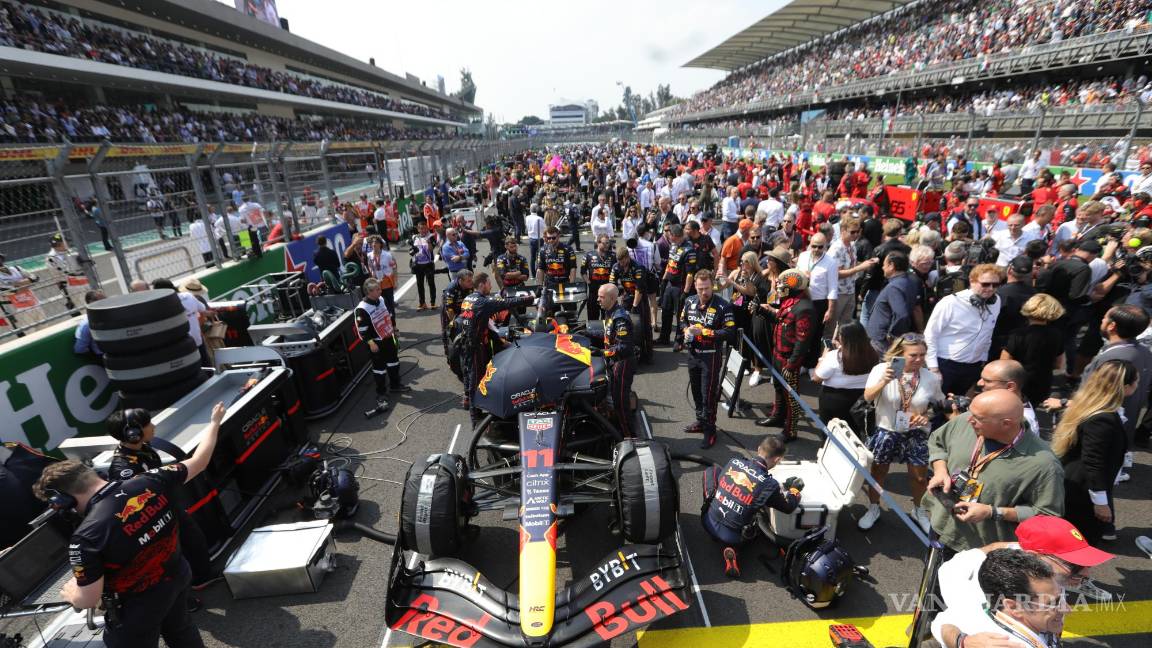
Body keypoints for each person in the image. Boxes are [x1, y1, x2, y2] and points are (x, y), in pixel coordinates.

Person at [32, 401, 225, 648]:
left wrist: (72, 594)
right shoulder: (153, 479)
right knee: (182, 632)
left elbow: (88, 600)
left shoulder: (85, 539)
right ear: (92, 475)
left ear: (64, 500)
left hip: (138, 607)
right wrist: (214, 423)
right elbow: (199, 461)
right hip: (177, 576)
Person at [932, 516, 1116, 648]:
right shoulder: (983, 597)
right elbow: (943, 622)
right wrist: (961, 642)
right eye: (1073, 565)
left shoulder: (1047, 577)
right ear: (1034, 558)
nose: (1086, 572)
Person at [924, 390, 1065, 553]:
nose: (969, 419)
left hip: (983, 549)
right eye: (971, 412)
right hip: (941, 524)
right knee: (934, 576)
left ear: (1006, 423)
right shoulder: (966, 420)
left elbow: (1047, 516)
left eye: (978, 418)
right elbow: (938, 441)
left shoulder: (1044, 465)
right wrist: (940, 470)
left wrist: (993, 512)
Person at [103, 409, 213, 594]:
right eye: (148, 424)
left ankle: (200, 580)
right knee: (172, 558)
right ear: (133, 434)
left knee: (194, 542)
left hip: (168, 507)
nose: (154, 426)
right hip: (155, 519)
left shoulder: (143, 448)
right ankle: (185, 595)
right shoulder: (123, 468)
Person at [1046, 305, 1152, 483]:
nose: (1101, 321)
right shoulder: (1142, 351)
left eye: (1104, 318)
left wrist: (1063, 403)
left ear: (1112, 326)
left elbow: (1099, 397)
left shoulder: (1113, 359)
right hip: (1120, 425)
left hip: (1096, 424)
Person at [858, 333, 944, 533]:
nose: (919, 360)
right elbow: (867, 397)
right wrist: (884, 381)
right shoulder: (881, 370)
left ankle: (918, 510)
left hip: (916, 432)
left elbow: (938, 404)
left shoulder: (930, 377)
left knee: (920, 477)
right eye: (913, 355)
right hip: (886, 429)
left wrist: (927, 416)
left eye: (923, 355)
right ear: (899, 353)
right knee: (878, 472)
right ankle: (873, 507)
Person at [1048, 360, 1134, 544]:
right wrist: (1101, 503)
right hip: (1082, 494)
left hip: (1074, 486)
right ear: (1125, 387)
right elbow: (1093, 462)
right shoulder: (1103, 419)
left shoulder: (1090, 407)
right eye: (1136, 382)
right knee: (1080, 543)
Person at [701, 435, 803, 578]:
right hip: (734, 536)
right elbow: (788, 507)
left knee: (712, 471)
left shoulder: (734, 461)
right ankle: (733, 549)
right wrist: (795, 490)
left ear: (759, 449)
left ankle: (715, 512)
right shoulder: (769, 484)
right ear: (777, 459)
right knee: (759, 514)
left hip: (707, 521)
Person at [936, 549, 1069, 647]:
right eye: (1053, 603)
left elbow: (942, 621)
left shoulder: (980, 604)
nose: (1067, 609)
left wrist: (961, 642)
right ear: (1014, 607)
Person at [456, 272, 533, 425]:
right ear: (482, 284)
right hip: (474, 346)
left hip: (466, 343)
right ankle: (475, 419)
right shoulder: (482, 302)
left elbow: (482, 322)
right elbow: (507, 303)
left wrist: (498, 340)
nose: (490, 286)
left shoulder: (468, 298)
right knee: (476, 380)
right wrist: (531, 298)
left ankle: (468, 402)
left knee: (469, 375)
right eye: (489, 283)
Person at [924, 263, 1004, 397]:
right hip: (946, 364)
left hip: (974, 365)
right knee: (939, 407)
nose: (990, 289)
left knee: (961, 405)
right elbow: (930, 335)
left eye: (995, 285)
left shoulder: (996, 301)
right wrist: (933, 368)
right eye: (985, 284)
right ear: (972, 281)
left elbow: (988, 331)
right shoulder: (950, 303)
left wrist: (983, 357)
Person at [680, 269, 736, 448]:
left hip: (711, 357)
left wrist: (705, 332)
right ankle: (701, 421)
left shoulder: (723, 305)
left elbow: (730, 332)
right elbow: (682, 321)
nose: (703, 292)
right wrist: (686, 330)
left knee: (708, 395)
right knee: (696, 392)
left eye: (706, 288)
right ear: (695, 287)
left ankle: (710, 430)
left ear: (713, 286)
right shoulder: (689, 302)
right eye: (699, 288)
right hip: (693, 355)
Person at [757, 269, 815, 439]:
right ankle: (778, 417)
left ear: (794, 286)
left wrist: (792, 364)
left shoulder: (804, 308)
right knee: (778, 388)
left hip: (789, 359)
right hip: (778, 354)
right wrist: (763, 312)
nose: (778, 285)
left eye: (783, 283)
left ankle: (791, 430)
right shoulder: (789, 301)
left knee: (791, 396)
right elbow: (780, 320)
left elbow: (802, 342)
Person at [355, 278, 409, 418]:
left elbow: (389, 315)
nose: (380, 290)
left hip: (389, 337)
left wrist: (395, 328)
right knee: (379, 369)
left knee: (394, 362)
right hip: (376, 342)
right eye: (377, 289)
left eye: (379, 288)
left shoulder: (382, 300)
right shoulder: (362, 309)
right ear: (369, 292)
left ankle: (395, 385)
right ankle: (381, 393)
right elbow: (362, 331)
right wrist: (371, 343)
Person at [1001, 294, 1065, 407]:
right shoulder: (1057, 334)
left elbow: (1004, 362)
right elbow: (1059, 364)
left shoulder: (1018, 334)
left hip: (1017, 381)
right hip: (1042, 382)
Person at [812, 321, 878, 429]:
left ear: (844, 338)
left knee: (830, 433)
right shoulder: (872, 354)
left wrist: (823, 357)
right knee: (853, 433)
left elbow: (816, 377)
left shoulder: (833, 356)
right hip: (860, 400)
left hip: (833, 401)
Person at [595, 284, 636, 438]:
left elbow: (624, 346)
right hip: (615, 362)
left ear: (612, 298)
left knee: (620, 402)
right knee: (615, 398)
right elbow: (608, 333)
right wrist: (586, 332)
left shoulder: (620, 318)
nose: (598, 299)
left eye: (601, 297)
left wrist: (602, 352)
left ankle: (629, 436)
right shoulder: (610, 312)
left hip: (623, 363)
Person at [865, 252, 924, 354]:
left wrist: (892, 335)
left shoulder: (894, 287)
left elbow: (902, 314)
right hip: (887, 339)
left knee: (883, 368)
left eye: (884, 265)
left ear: (891, 265)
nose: (883, 268)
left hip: (882, 340)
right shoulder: (911, 281)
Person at [795, 232, 839, 360]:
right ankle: (801, 362)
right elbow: (796, 274)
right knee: (800, 332)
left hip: (819, 303)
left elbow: (833, 288)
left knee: (815, 334)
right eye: (814, 246)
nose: (816, 249)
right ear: (810, 244)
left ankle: (811, 363)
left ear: (825, 246)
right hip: (801, 299)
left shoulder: (831, 262)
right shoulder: (803, 256)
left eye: (820, 247)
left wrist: (830, 310)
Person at [828, 215, 876, 326]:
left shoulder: (852, 245)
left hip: (850, 289)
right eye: (852, 232)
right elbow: (836, 274)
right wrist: (860, 267)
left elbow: (850, 265)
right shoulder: (837, 248)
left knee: (846, 324)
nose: (856, 234)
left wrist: (866, 263)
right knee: (831, 325)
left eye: (858, 231)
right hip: (838, 292)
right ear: (843, 231)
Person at [153, 278, 210, 368]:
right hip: (197, 336)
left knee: (192, 367)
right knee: (205, 362)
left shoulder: (163, 303)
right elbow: (203, 308)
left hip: (182, 342)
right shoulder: (188, 295)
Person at [656, 225, 698, 348]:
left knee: (680, 314)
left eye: (670, 234)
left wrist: (685, 292)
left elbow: (690, 274)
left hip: (680, 287)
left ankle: (679, 341)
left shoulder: (689, 250)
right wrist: (663, 282)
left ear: (675, 235)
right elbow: (669, 265)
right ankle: (664, 337)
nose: (668, 236)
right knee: (665, 311)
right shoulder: (673, 246)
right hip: (669, 284)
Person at [988, 256, 1037, 360]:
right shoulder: (1035, 294)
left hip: (999, 342)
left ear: (1009, 270)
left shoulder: (999, 294)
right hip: (1025, 340)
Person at [609, 247, 652, 363]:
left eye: (623, 261)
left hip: (640, 299)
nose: (621, 263)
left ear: (627, 257)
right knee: (624, 324)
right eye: (619, 261)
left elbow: (639, 289)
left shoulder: (638, 267)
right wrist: (612, 303)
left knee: (643, 326)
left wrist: (634, 306)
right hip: (626, 296)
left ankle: (647, 355)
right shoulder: (616, 267)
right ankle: (626, 351)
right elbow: (612, 286)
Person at [440, 270, 473, 357]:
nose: (471, 282)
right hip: (449, 308)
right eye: (468, 281)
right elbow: (449, 310)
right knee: (448, 329)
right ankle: (448, 353)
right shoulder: (451, 289)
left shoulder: (470, 286)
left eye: (471, 280)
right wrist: (454, 322)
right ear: (460, 281)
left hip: (462, 305)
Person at [582, 234, 615, 320]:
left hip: (608, 292)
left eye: (608, 243)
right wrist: (589, 283)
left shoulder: (613, 256)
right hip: (594, 291)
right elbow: (583, 272)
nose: (607, 245)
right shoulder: (588, 255)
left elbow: (618, 271)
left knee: (608, 319)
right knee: (592, 318)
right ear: (598, 243)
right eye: (604, 243)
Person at [410, 219, 439, 311]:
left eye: (425, 228)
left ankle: (433, 303)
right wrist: (411, 251)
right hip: (418, 264)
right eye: (421, 228)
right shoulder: (415, 237)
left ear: (427, 228)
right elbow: (412, 250)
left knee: (431, 284)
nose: (423, 230)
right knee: (420, 285)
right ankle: (422, 303)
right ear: (418, 229)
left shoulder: (431, 237)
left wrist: (428, 241)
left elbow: (431, 250)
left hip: (428, 264)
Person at [365, 236, 397, 316]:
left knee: (390, 303)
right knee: (381, 305)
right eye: (372, 242)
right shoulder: (369, 255)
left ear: (380, 244)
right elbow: (371, 269)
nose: (373, 244)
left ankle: (393, 325)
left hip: (387, 282)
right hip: (377, 283)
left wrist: (395, 281)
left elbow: (394, 268)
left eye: (376, 242)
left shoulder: (388, 255)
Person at [74, 289, 106, 357]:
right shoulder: (86, 324)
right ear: (92, 303)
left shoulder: (113, 315)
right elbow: (79, 349)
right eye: (102, 301)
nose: (107, 303)